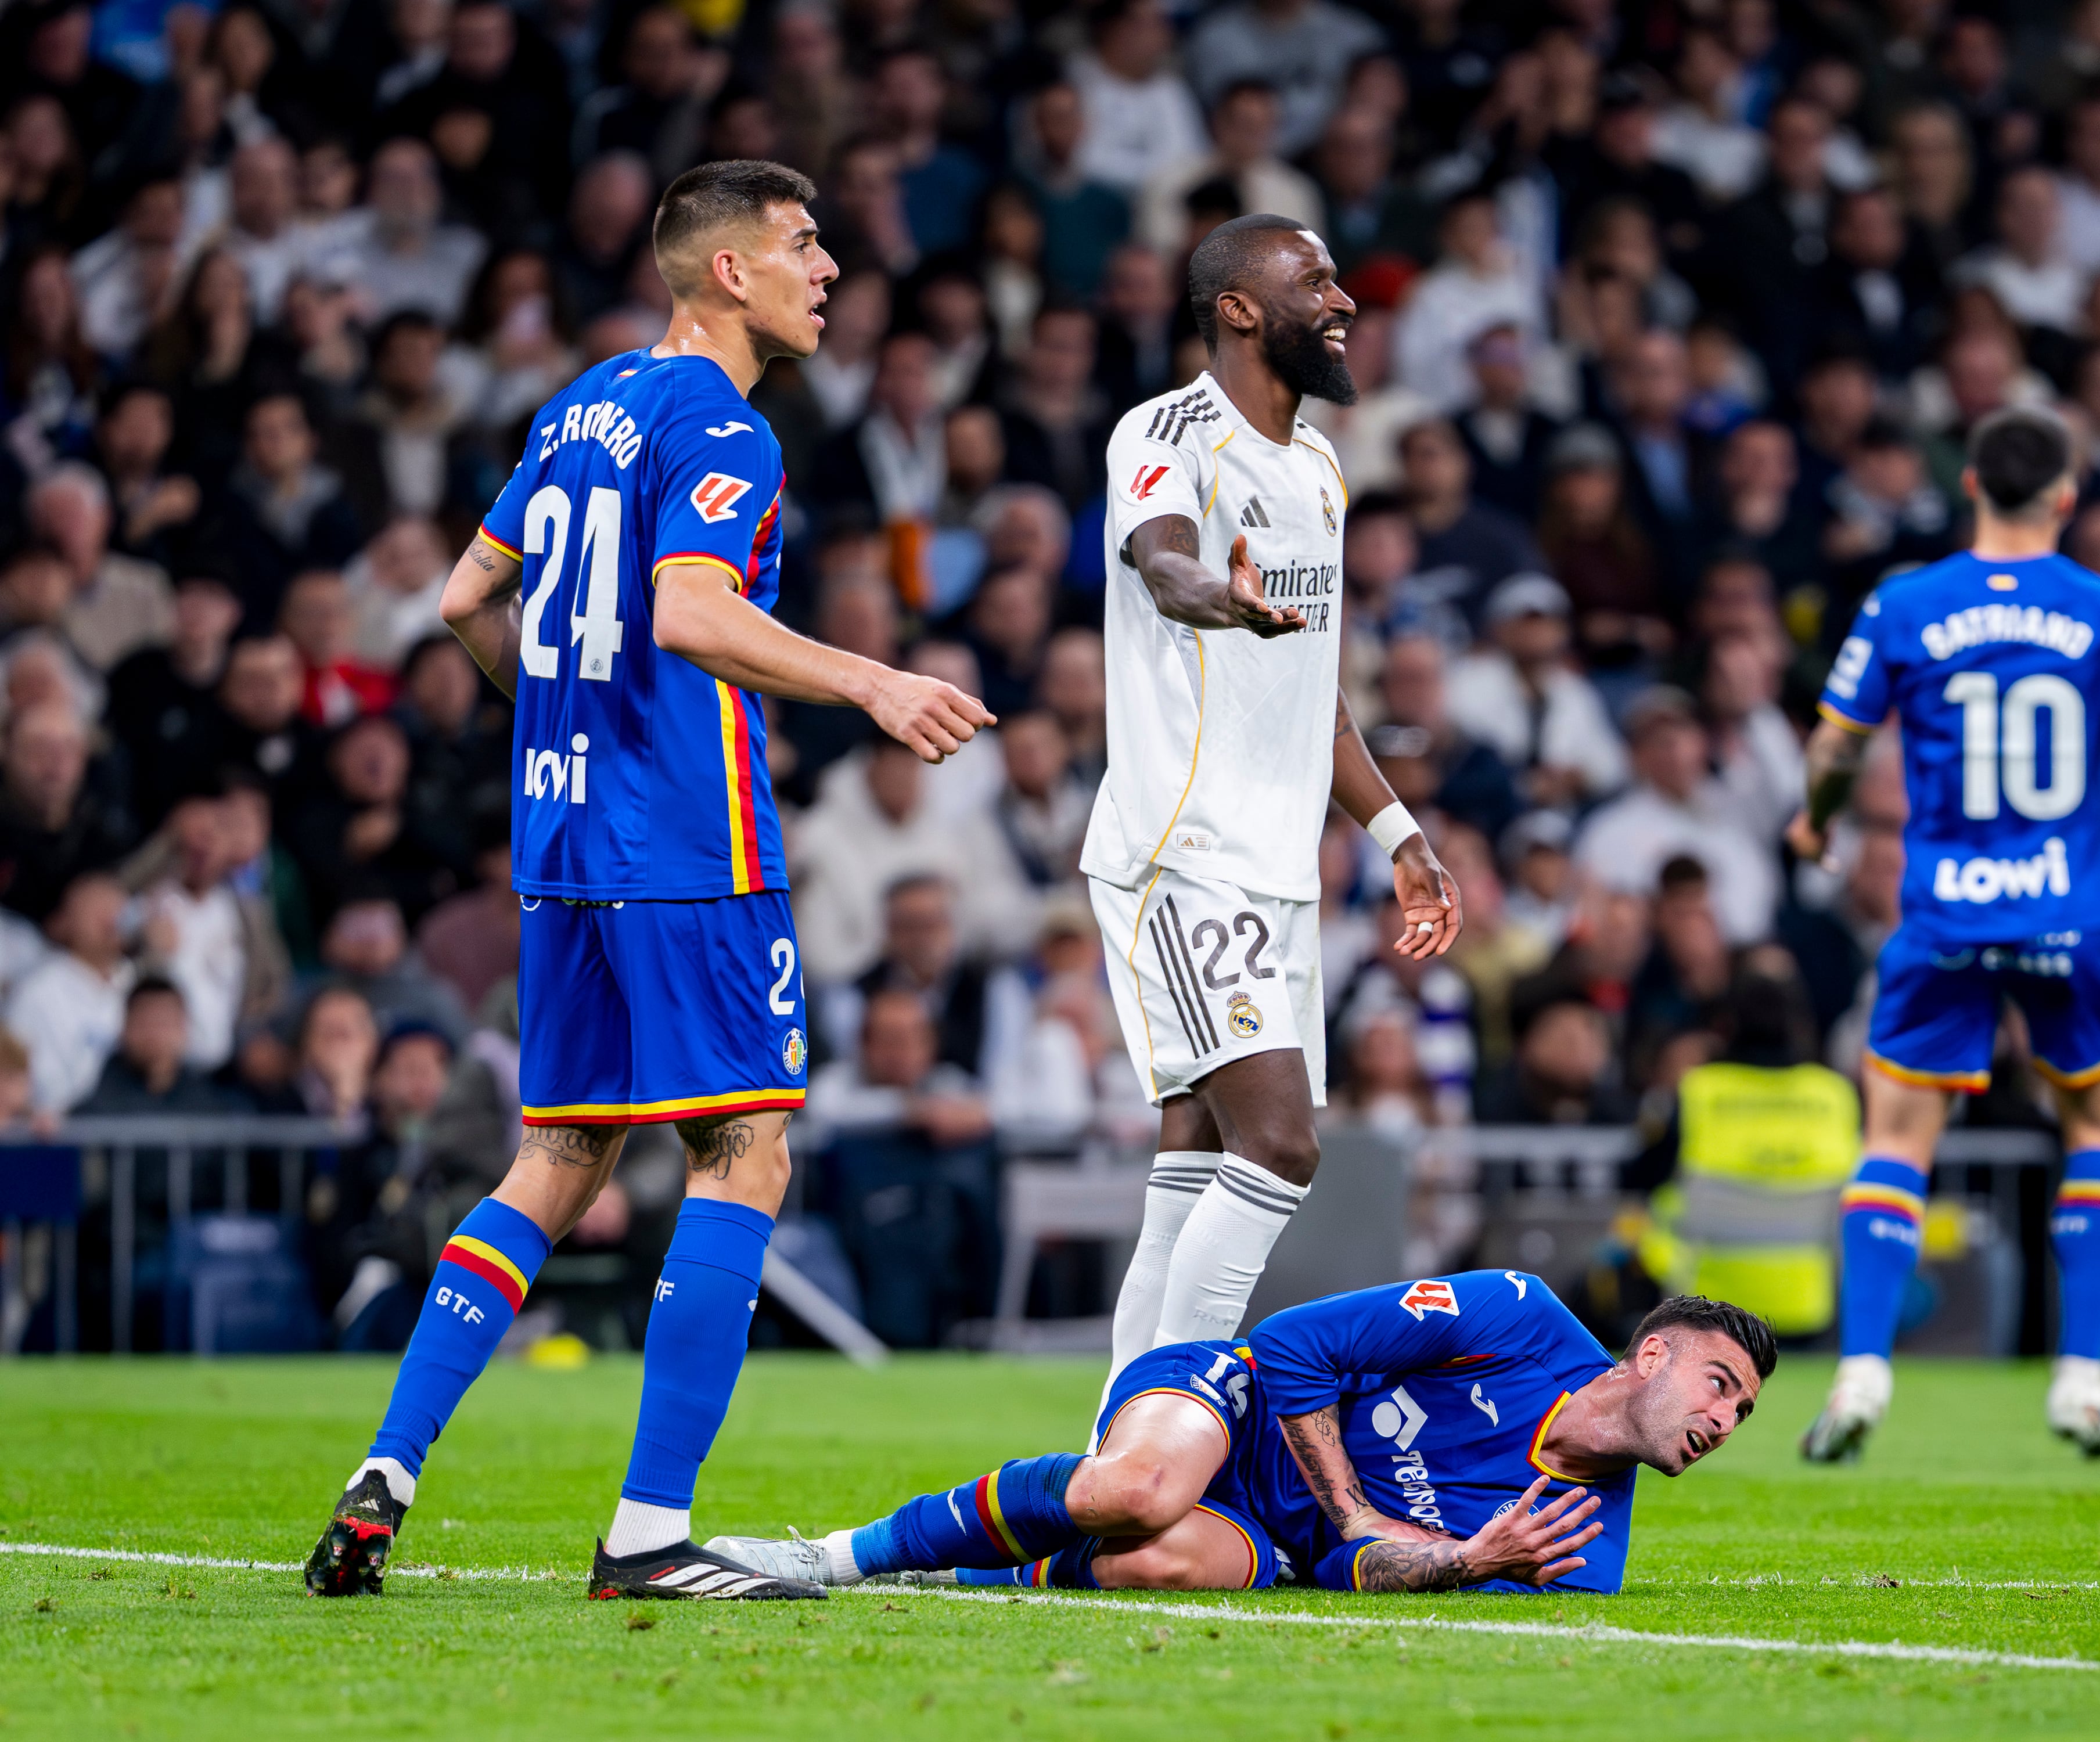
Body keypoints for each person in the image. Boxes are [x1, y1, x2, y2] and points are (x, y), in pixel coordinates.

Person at [304, 160, 994, 1605]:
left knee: (553, 1161)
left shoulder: (580, 405)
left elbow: (461, 604)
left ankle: (390, 1469)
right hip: (691, 847)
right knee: (746, 1150)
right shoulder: (725, 424)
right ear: (728, 271)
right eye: (805, 246)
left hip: (560, 847)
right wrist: (872, 681)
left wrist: (571, 732)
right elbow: (689, 610)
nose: (831, 272)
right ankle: (647, 1534)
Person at [1083, 214, 1461, 1439]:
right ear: (1239, 309)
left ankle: (1109, 1455)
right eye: (1315, 280)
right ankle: (1171, 1440)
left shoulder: (1318, 469)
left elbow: (1319, 693)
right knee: (1283, 1145)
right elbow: (1165, 566)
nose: (1343, 299)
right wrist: (1224, 603)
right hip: (1186, 850)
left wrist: (1399, 833)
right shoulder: (1166, 431)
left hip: (1280, 866)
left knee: (1194, 1157)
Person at [1786, 406, 2100, 1462]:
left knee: (1896, 1142)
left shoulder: (1906, 603)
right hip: (2076, 912)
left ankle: (1864, 1371)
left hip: (1946, 914)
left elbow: (1835, 748)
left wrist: (1817, 821)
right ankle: (2081, 1382)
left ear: (1970, 485)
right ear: (2067, 495)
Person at [707, 1282, 1771, 1595]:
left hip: (1280, 1535)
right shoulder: (1519, 1317)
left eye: (1742, 1414)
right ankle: (835, 1556)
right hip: (1239, 1399)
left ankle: (955, 1575)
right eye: (1719, 1385)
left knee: (1166, 1559)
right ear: (1651, 1355)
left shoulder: (1577, 1552)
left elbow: (1352, 1570)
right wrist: (1355, 1505)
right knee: (1146, 1492)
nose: (1723, 1421)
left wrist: (1457, 1564)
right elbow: (1292, 1343)